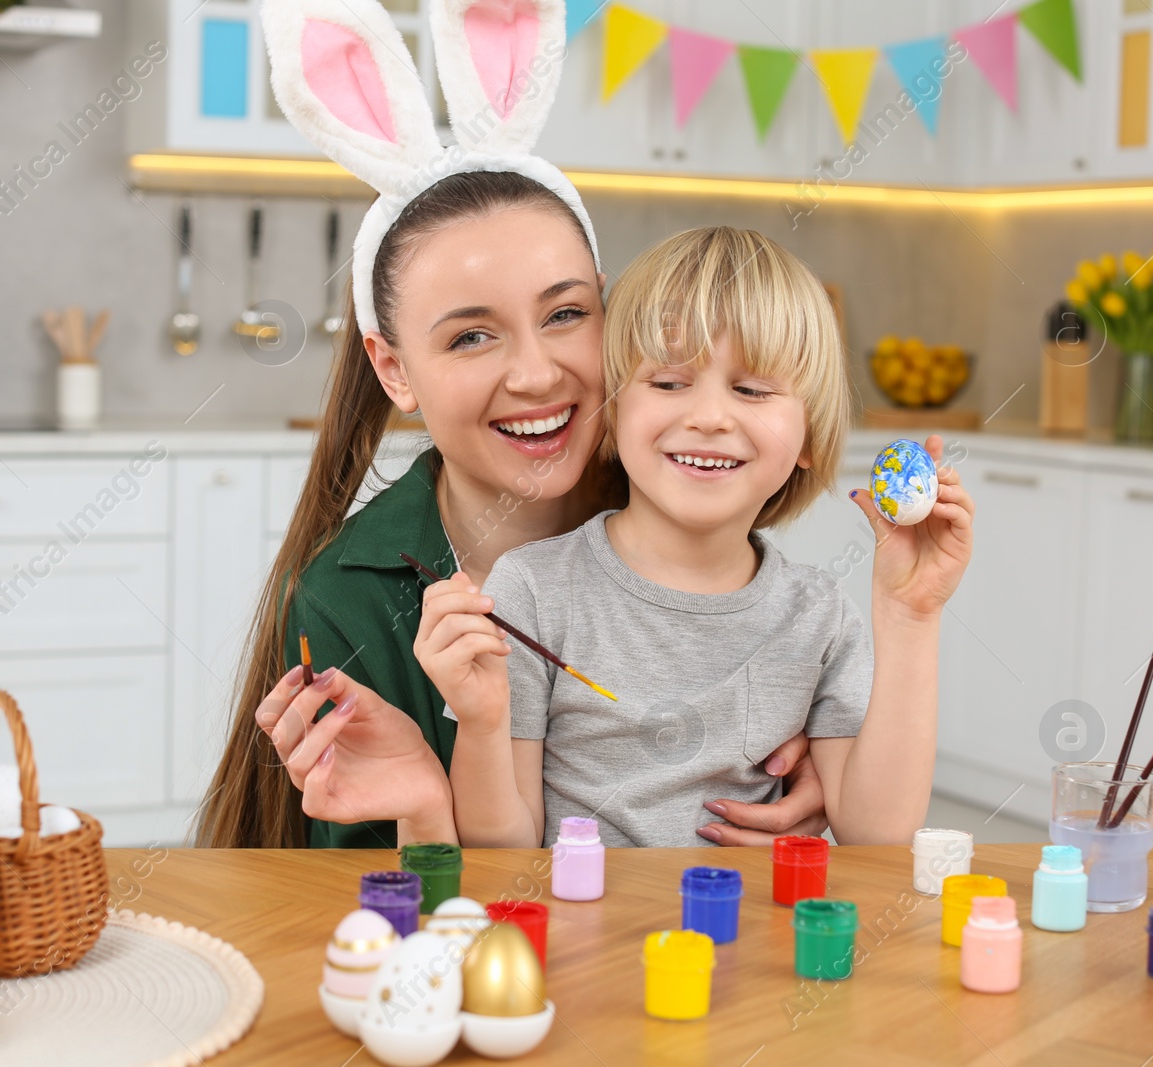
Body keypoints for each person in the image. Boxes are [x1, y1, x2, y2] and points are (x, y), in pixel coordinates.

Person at [194, 0, 827, 848]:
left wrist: (819, 754)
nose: (535, 373)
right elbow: (372, 924)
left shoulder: (684, 489)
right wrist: (429, 802)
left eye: (567, 314)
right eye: (471, 335)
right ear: (394, 370)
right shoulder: (348, 600)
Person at [414, 227, 976, 847]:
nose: (709, 416)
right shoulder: (534, 591)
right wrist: (484, 722)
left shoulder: (817, 618)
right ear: (613, 409)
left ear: (811, 438)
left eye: (752, 390)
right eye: (668, 383)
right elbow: (500, 852)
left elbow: (879, 836)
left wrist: (909, 616)